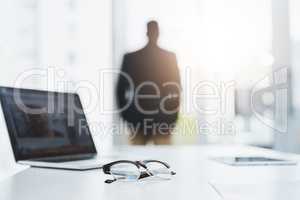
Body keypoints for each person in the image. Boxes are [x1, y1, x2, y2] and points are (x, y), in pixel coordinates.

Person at [116, 20, 181, 145]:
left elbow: (176, 90)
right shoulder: (169, 57)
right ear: (158, 33)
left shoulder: (131, 57)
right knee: (164, 161)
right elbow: (177, 90)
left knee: (137, 161)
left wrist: (126, 115)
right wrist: (173, 117)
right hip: (154, 120)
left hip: (147, 119)